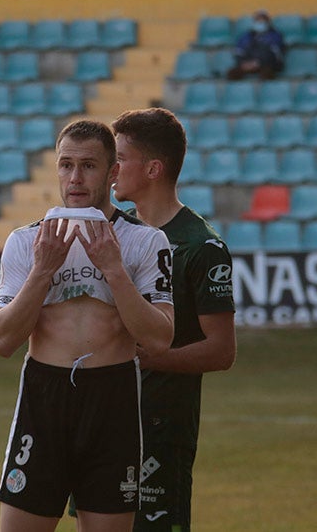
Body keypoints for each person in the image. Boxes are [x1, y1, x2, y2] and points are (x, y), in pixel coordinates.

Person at [0, 118, 175, 532]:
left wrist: (114, 270)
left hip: (112, 400)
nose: (75, 177)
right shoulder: (26, 241)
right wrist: (42, 272)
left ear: (111, 174)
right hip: (44, 399)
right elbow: (1, 340)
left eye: (88, 166)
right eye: (66, 165)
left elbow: (160, 339)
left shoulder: (146, 241)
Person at [111, 108, 236, 531]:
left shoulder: (201, 246)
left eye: (120, 158)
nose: (112, 169)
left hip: (161, 427)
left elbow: (221, 350)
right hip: (103, 417)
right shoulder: (114, 235)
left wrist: (146, 358)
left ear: (152, 168)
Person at [225, 10, 286, 80]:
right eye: (257, 20)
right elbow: (238, 51)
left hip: (266, 65)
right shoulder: (247, 36)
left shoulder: (275, 36)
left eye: (262, 20)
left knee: (267, 74)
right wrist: (244, 63)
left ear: (268, 22)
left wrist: (258, 63)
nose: (260, 23)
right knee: (232, 73)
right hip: (247, 64)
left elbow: (275, 54)